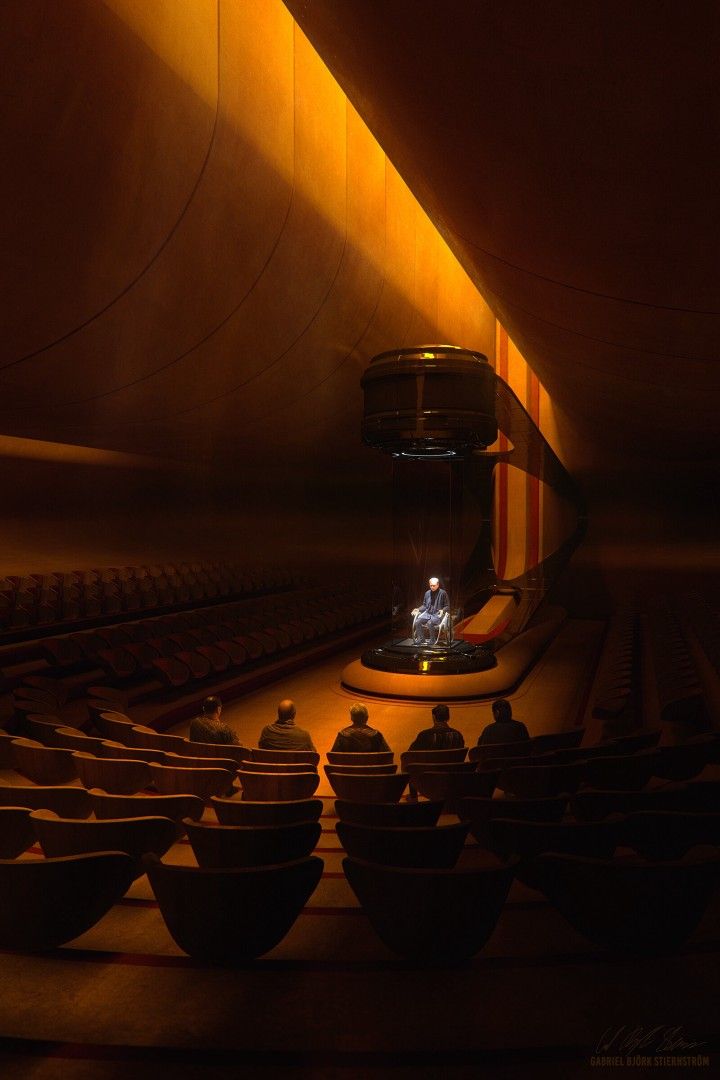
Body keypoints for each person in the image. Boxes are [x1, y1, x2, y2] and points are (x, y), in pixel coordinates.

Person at [413, 576, 449, 644]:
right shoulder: (427, 593)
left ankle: (432, 639)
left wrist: (443, 610)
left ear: (438, 585)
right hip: (428, 614)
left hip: (437, 615)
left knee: (430, 622)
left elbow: (447, 606)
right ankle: (421, 639)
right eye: (431, 585)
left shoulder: (443, 593)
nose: (432, 587)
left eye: (434, 585)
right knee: (417, 621)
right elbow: (424, 605)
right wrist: (418, 609)